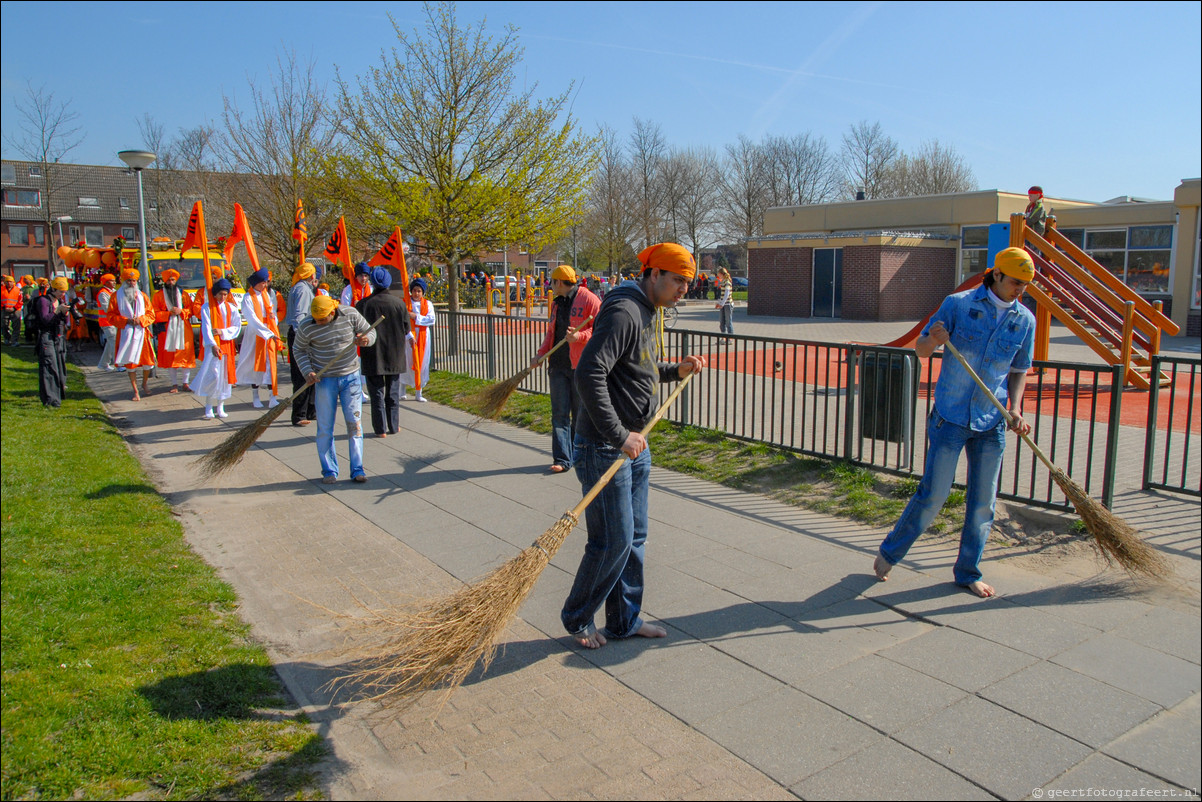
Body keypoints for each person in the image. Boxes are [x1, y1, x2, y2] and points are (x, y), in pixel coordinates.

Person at [562, 242, 707, 649]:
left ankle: (624, 619)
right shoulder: (625, 312)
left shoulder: (649, 309)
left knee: (635, 537)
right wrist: (619, 435)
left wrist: (674, 371)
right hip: (604, 446)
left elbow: (636, 368)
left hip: (634, 445)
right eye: (678, 280)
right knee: (613, 540)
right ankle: (577, 618)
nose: (683, 289)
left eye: (688, 283)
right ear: (654, 274)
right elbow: (589, 373)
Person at [873, 247, 1036, 598]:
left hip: (992, 421)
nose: (1020, 290)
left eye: (1026, 285)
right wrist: (934, 339)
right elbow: (920, 350)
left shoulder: (1024, 320)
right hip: (951, 417)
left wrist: (1017, 409)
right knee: (934, 495)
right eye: (1015, 282)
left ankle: (967, 571)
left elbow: (1019, 370)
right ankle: (890, 553)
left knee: (983, 504)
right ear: (996, 275)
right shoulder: (959, 304)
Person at [293, 294, 377, 484]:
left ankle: (357, 469)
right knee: (324, 427)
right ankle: (329, 470)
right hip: (324, 380)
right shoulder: (307, 326)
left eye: (323, 319)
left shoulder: (350, 314)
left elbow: (370, 332)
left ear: (333, 312)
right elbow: (298, 349)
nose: (320, 323)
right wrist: (308, 371)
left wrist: (366, 340)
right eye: (317, 320)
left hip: (351, 378)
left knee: (354, 424)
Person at [532, 264, 600, 473]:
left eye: (552, 282)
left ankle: (577, 455)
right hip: (557, 366)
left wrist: (579, 336)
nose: (550, 286)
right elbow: (551, 333)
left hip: (579, 366)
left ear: (559, 282)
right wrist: (541, 353)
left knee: (579, 414)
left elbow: (600, 330)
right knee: (559, 414)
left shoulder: (590, 300)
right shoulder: (556, 304)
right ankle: (562, 459)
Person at [355, 268, 411, 438]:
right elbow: (406, 328)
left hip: (373, 353)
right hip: (394, 353)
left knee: (376, 393)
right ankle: (393, 425)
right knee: (393, 391)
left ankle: (380, 429)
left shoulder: (363, 304)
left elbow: (356, 329)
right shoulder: (399, 304)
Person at [193, 278, 243, 419]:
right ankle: (209, 406)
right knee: (213, 375)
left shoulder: (232, 308)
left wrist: (223, 332)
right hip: (213, 346)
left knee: (225, 377)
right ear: (214, 294)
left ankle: (221, 406)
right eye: (220, 294)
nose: (223, 297)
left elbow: (236, 327)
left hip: (226, 345)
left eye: (225, 294)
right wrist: (213, 344)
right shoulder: (207, 308)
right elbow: (207, 328)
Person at [236, 269, 283, 408]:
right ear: (257, 283)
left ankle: (272, 397)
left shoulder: (266, 295)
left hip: (269, 331)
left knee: (270, 364)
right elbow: (252, 318)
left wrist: (273, 324)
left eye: (266, 282)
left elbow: (272, 311)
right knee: (255, 364)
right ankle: (255, 396)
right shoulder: (247, 298)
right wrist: (267, 332)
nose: (265, 285)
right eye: (263, 282)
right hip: (255, 334)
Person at [109, 269, 156, 400]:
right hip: (126, 333)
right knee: (130, 364)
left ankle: (144, 384)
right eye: (128, 280)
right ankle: (135, 390)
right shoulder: (115, 297)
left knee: (148, 363)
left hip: (142, 334)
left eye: (133, 281)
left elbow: (151, 315)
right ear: (124, 281)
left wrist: (141, 320)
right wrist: (126, 321)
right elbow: (111, 316)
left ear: (136, 282)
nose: (131, 283)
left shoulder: (143, 296)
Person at [151, 269, 197, 393]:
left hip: (184, 328)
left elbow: (191, 310)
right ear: (164, 281)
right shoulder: (158, 296)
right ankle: (174, 384)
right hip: (167, 330)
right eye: (168, 280)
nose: (171, 282)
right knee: (170, 356)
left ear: (176, 280)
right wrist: (168, 313)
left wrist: (181, 311)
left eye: (173, 280)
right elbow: (153, 314)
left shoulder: (184, 295)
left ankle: (185, 383)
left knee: (185, 354)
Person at [286, 263, 320, 426]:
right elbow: (300, 315)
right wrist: (303, 336)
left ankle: (310, 410)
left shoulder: (299, 287)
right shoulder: (303, 289)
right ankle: (299, 414)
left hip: (303, 333)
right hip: (301, 334)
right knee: (302, 374)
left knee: (311, 372)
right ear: (311, 275)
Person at [31, 277, 71, 407]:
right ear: (53, 289)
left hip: (58, 336)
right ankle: (50, 400)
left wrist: (64, 314)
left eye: (64, 292)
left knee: (60, 365)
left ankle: (59, 394)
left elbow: (62, 321)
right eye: (60, 291)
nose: (62, 294)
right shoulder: (43, 301)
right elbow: (45, 320)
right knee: (49, 366)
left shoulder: (59, 300)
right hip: (46, 337)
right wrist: (57, 310)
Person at [401, 277, 435, 402]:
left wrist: (416, 317)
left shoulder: (428, 304)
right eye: (414, 290)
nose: (416, 293)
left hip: (423, 337)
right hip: (408, 336)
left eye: (419, 291)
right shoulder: (405, 303)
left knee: (421, 363)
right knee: (406, 362)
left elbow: (431, 320)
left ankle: (418, 391)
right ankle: (402, 390)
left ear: (423, 292)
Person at [95, 273, 118, 371]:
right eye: (112, 280)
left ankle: (103, 364)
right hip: (106, 322)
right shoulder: (102, 293)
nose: (114, 282)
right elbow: (106, 308)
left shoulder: (113, 292)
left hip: (113, 322)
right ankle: (118, 364)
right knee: (113, 342)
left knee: (110, 342)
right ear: (107, 282)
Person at [2, 274, 23, 345]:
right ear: (4, 282)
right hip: (4, 310)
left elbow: (21, 301)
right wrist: (4, 307)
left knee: (16, 326)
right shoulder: (1, 289)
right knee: (4, 325)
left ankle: (15, 341)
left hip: (16, 310)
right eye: (7, 281)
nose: (9, 283)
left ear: (13, 282)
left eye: (10, 281)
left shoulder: (18, 290)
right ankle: (7, 338)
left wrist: (14, 308)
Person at [715, 267, 734, 337]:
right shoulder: (723, 282)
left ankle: (730, 338)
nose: (718, 276)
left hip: (728, 304)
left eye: (719, 274)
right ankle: (723, 337)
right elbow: (722, 295)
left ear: (721, 274)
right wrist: (719, 303)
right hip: (724, 304)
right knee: (722, 322)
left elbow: (727, 294)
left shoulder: (727, 282)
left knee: (728, 322)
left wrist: (722, 304)